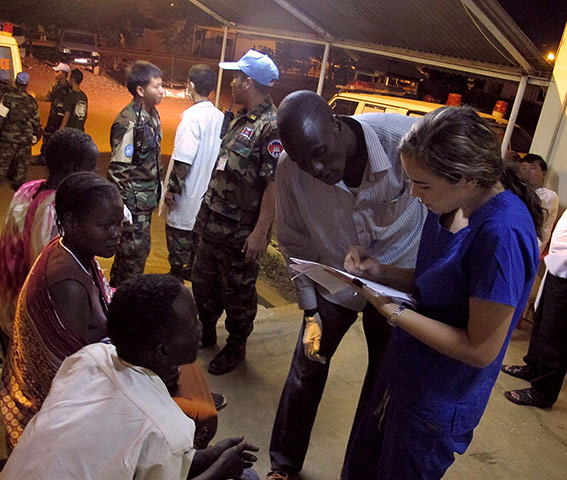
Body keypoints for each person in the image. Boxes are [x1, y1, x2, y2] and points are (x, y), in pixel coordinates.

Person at [342, 106, 541, 479]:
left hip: (436, 400)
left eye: (423, 184)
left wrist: (392, 312)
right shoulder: (452, 204)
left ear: (465, 177)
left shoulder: (503, 234)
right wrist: (382, 271)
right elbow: (440, 278)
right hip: (406, 374)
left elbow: (480, 349)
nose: (415, 195)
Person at [266, 91, 427, 480]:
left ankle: (358, 472)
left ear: (336, 124)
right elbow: (293, 240)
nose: (318, 168)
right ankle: (283, 466)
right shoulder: (291, 170)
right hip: (333, 285)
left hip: (395, 286)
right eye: (305, 162)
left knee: (381, 387)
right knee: (308, 361)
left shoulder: (407, 142)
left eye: (321, 152)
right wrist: (309, 310)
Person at [0, 274, 258, 480]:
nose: (200, 328)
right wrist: (220, 469)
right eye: (193, 322)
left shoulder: (89, 358)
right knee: (249, 476)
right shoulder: (163, 428)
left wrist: (211, 455)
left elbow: (139, 459)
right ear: (163, 350)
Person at [0, 172, 121, 450]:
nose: (116, 233)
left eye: (118, 224)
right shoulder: (68, 286)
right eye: (105, 225)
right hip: (49, 406)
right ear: (70, 223)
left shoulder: (69, 248)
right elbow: (71, 376)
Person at [192, 50, 280, 375]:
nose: (231, 81)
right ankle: (207, 330)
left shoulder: (271, 127)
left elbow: (273, 185)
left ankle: (236, 346)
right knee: (203, 284)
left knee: (238, 295)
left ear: (248, 82)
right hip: (214, 224)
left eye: (236, 76)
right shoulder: (242, 117)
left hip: (241, 234)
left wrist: (259, 234)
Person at [0, 128, 99, 338]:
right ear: (73, 168)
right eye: (91, 168)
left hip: (9, 295)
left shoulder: (29, 188)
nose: (94, 175)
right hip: (25, 314)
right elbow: (47, 279)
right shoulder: (52, 211)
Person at [501, 207, 567, 409]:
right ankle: (533, 367)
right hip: (557, 265)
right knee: (541, 321)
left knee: (555, 334)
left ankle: (543, 393)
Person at [163, 64, 223, 280]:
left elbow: (183, 159)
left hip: (186, 201)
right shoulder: (220, 118)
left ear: (191, 85)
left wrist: (171, 189)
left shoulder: (191, 118)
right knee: (199, 266)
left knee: (177, 266)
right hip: (208, 204)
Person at [107, 61, 164, 287]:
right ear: (140, 90)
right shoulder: (128, 121)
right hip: (133, 205)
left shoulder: (152, 114)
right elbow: (118, 169)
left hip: (145, 201)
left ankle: (115, 297)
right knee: (132, 257)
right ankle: (123, 302)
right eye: (156, 86)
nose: (162, 91)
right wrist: (121, 207)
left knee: (133, 255)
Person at [0, 72, 41, 191]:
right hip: (26, 136)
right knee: (22, 162)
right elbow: (36, 120)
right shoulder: (32, 101)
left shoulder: (8, 97)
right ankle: (18, 183)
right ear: (27, 84)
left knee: (3, 159)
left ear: (16, 82)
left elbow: (1, 116)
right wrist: (36, 134)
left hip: (9, 135)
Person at [518, 153, 558, 253]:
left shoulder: (548, 196)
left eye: (532, 168)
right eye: (523, 167)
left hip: (530, 247)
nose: (526, 171)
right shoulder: (515, 192)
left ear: (543, 173)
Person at [33, 62, 71, 164]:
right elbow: (48, 97)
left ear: (64, 74)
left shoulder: (69, 90)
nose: (55, 74)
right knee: (47, 136)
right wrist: (35, 96)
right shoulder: (55, 86)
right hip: (53, 117)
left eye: (58, 72)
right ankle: (43, 158)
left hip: (61, 119)